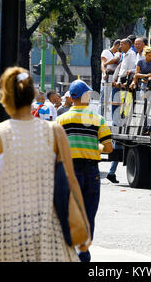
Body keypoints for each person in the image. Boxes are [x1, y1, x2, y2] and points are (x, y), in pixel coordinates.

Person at [0, 67, 87, 262]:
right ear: (31, 95)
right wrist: (82, 225)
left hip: (3, 231)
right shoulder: (55, 132)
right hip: (45, 230)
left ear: (5, 98)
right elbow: (71, 182)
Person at [57, 79, 113, 262]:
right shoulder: (97, 119)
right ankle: (84, 253)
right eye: (88, 93)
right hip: (91, 171)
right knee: (88, 213)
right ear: (84, 96)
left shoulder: (61, 120)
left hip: (68, 171)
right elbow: (109, 147)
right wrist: (96, 147)